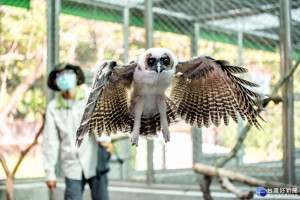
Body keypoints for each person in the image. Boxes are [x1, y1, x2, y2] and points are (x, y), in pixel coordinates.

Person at [43, 63, 113, 200]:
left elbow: (102, 122)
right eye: (60, 75)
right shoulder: (53, 108)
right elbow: (50, 141)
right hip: (71, 165)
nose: (64, 77)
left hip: (95, 159)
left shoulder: (90, 96)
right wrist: (49, 173)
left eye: (68, 73)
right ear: (55, 82)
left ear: (76, 77)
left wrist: (105, 142)